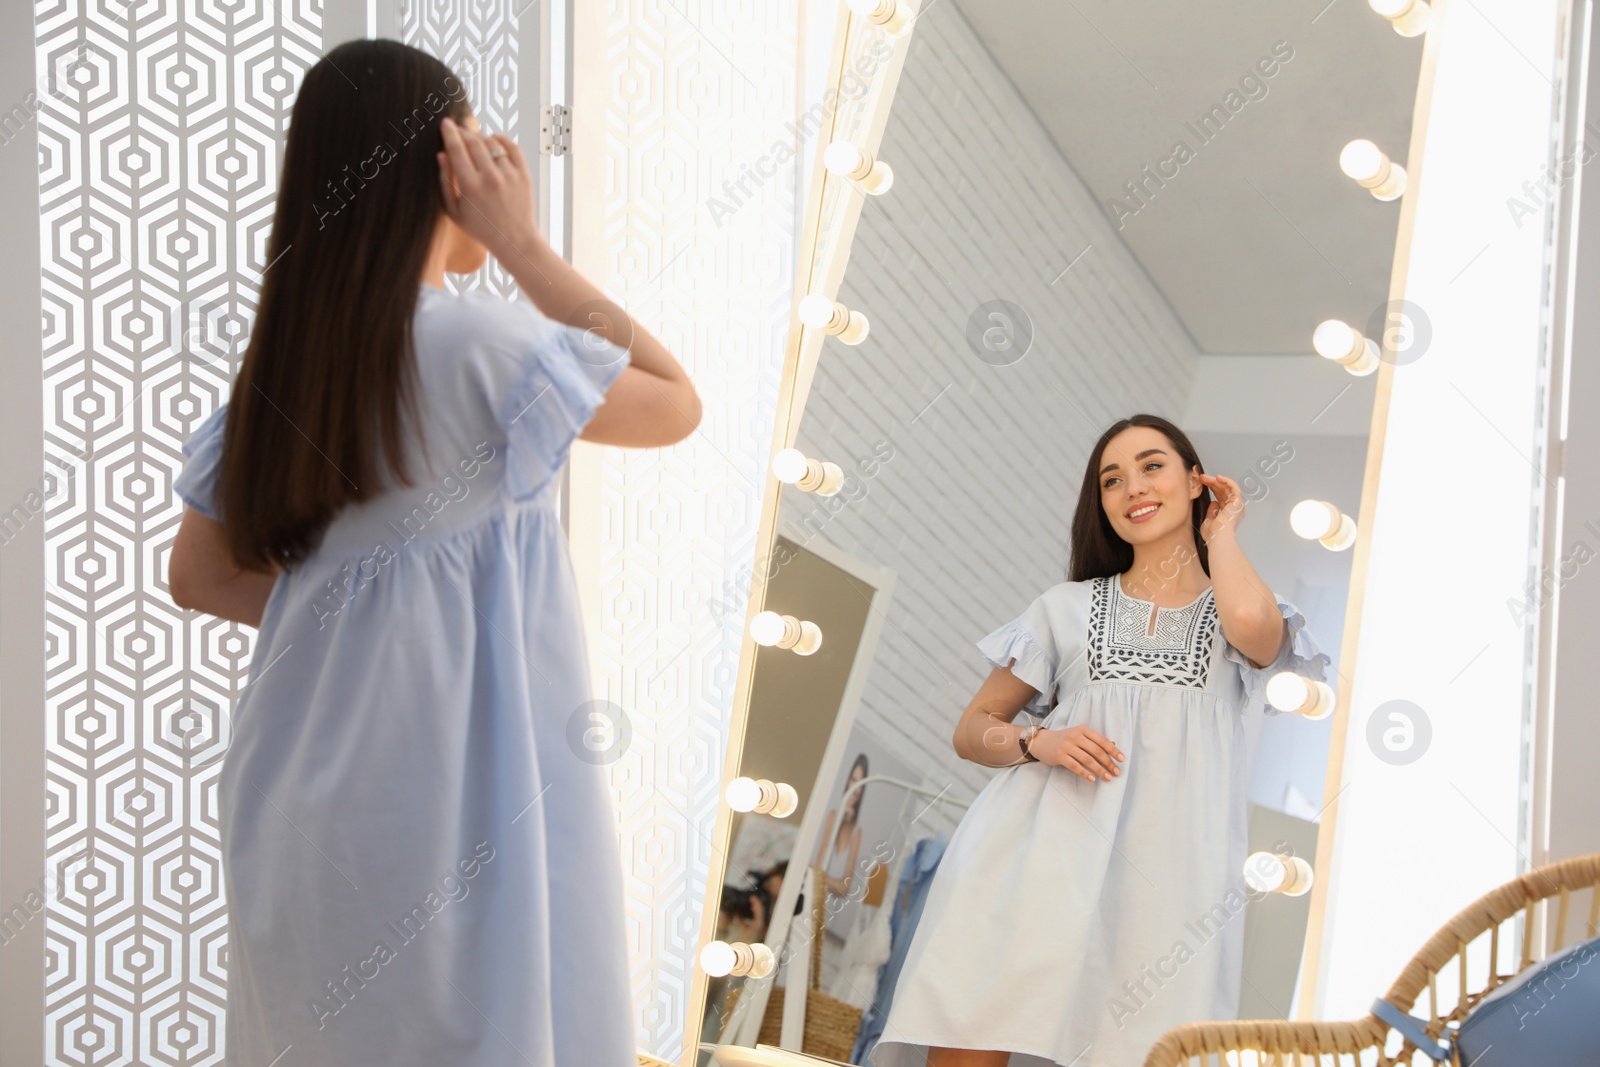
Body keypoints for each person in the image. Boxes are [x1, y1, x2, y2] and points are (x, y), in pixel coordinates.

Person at [165, 40, 698, 1066]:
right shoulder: (478, 343)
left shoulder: (278, 373)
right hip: (446, 797)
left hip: (294, 802)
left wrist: (346, 607)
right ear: (438, 169)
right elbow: (673, 402)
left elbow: (198, 574)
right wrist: (524, 246)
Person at [868, 415, 1330, 1067]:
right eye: (1111, 479)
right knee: (980, 1028)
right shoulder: (1065, 608)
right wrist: (1040, 742)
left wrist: (1220, 531)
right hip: (1035, 857)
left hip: (1168, 881)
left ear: (1195, 480)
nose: (1132, 488)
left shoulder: (1233, 609)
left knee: (1133, 1045)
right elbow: (973, 729)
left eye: (1151, 466)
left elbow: (1257, 628)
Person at [815, 753, 870, 899]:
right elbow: (818, 869)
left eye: (861, 784)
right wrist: (840, 820)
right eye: (853, 780)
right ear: (848, 781)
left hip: (831, 910)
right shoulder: (833, 816)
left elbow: (845, 889)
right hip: (814, 899)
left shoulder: (856, 833)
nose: (856, 788)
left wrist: (824, 880)